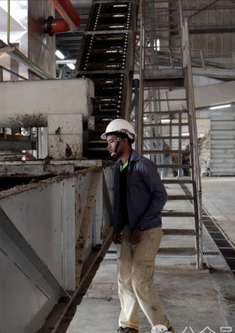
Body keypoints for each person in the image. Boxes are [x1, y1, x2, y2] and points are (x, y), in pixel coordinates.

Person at [101, 119, 173, 333]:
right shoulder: (118, 167)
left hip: (147, 231)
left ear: (124, 140)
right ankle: (128, 325)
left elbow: (161, 196)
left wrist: (140, 226)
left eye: (112, 141)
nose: (109, 145)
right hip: (127, 231)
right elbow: (121, 200)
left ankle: (163, 327)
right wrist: (117, 227)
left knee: (140, 282)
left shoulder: (143, 165)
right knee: (124, 278)